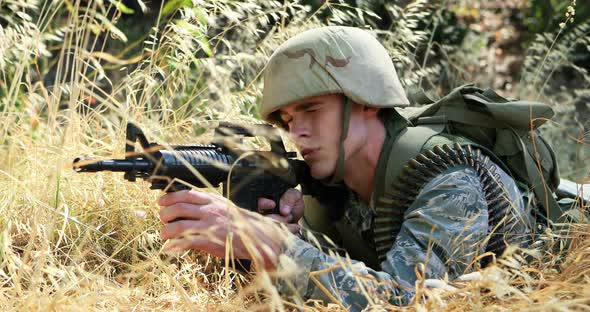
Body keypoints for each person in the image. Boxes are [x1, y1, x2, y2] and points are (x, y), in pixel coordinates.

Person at [157, 26, 534, 310]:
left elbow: (407, 301)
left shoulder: (449, 179)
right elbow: (346, 274)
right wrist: (261, 242)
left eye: (312, 110)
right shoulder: (334, 183)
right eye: (287, 119)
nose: (297, 131)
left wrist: (275, 247)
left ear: (367, 102)